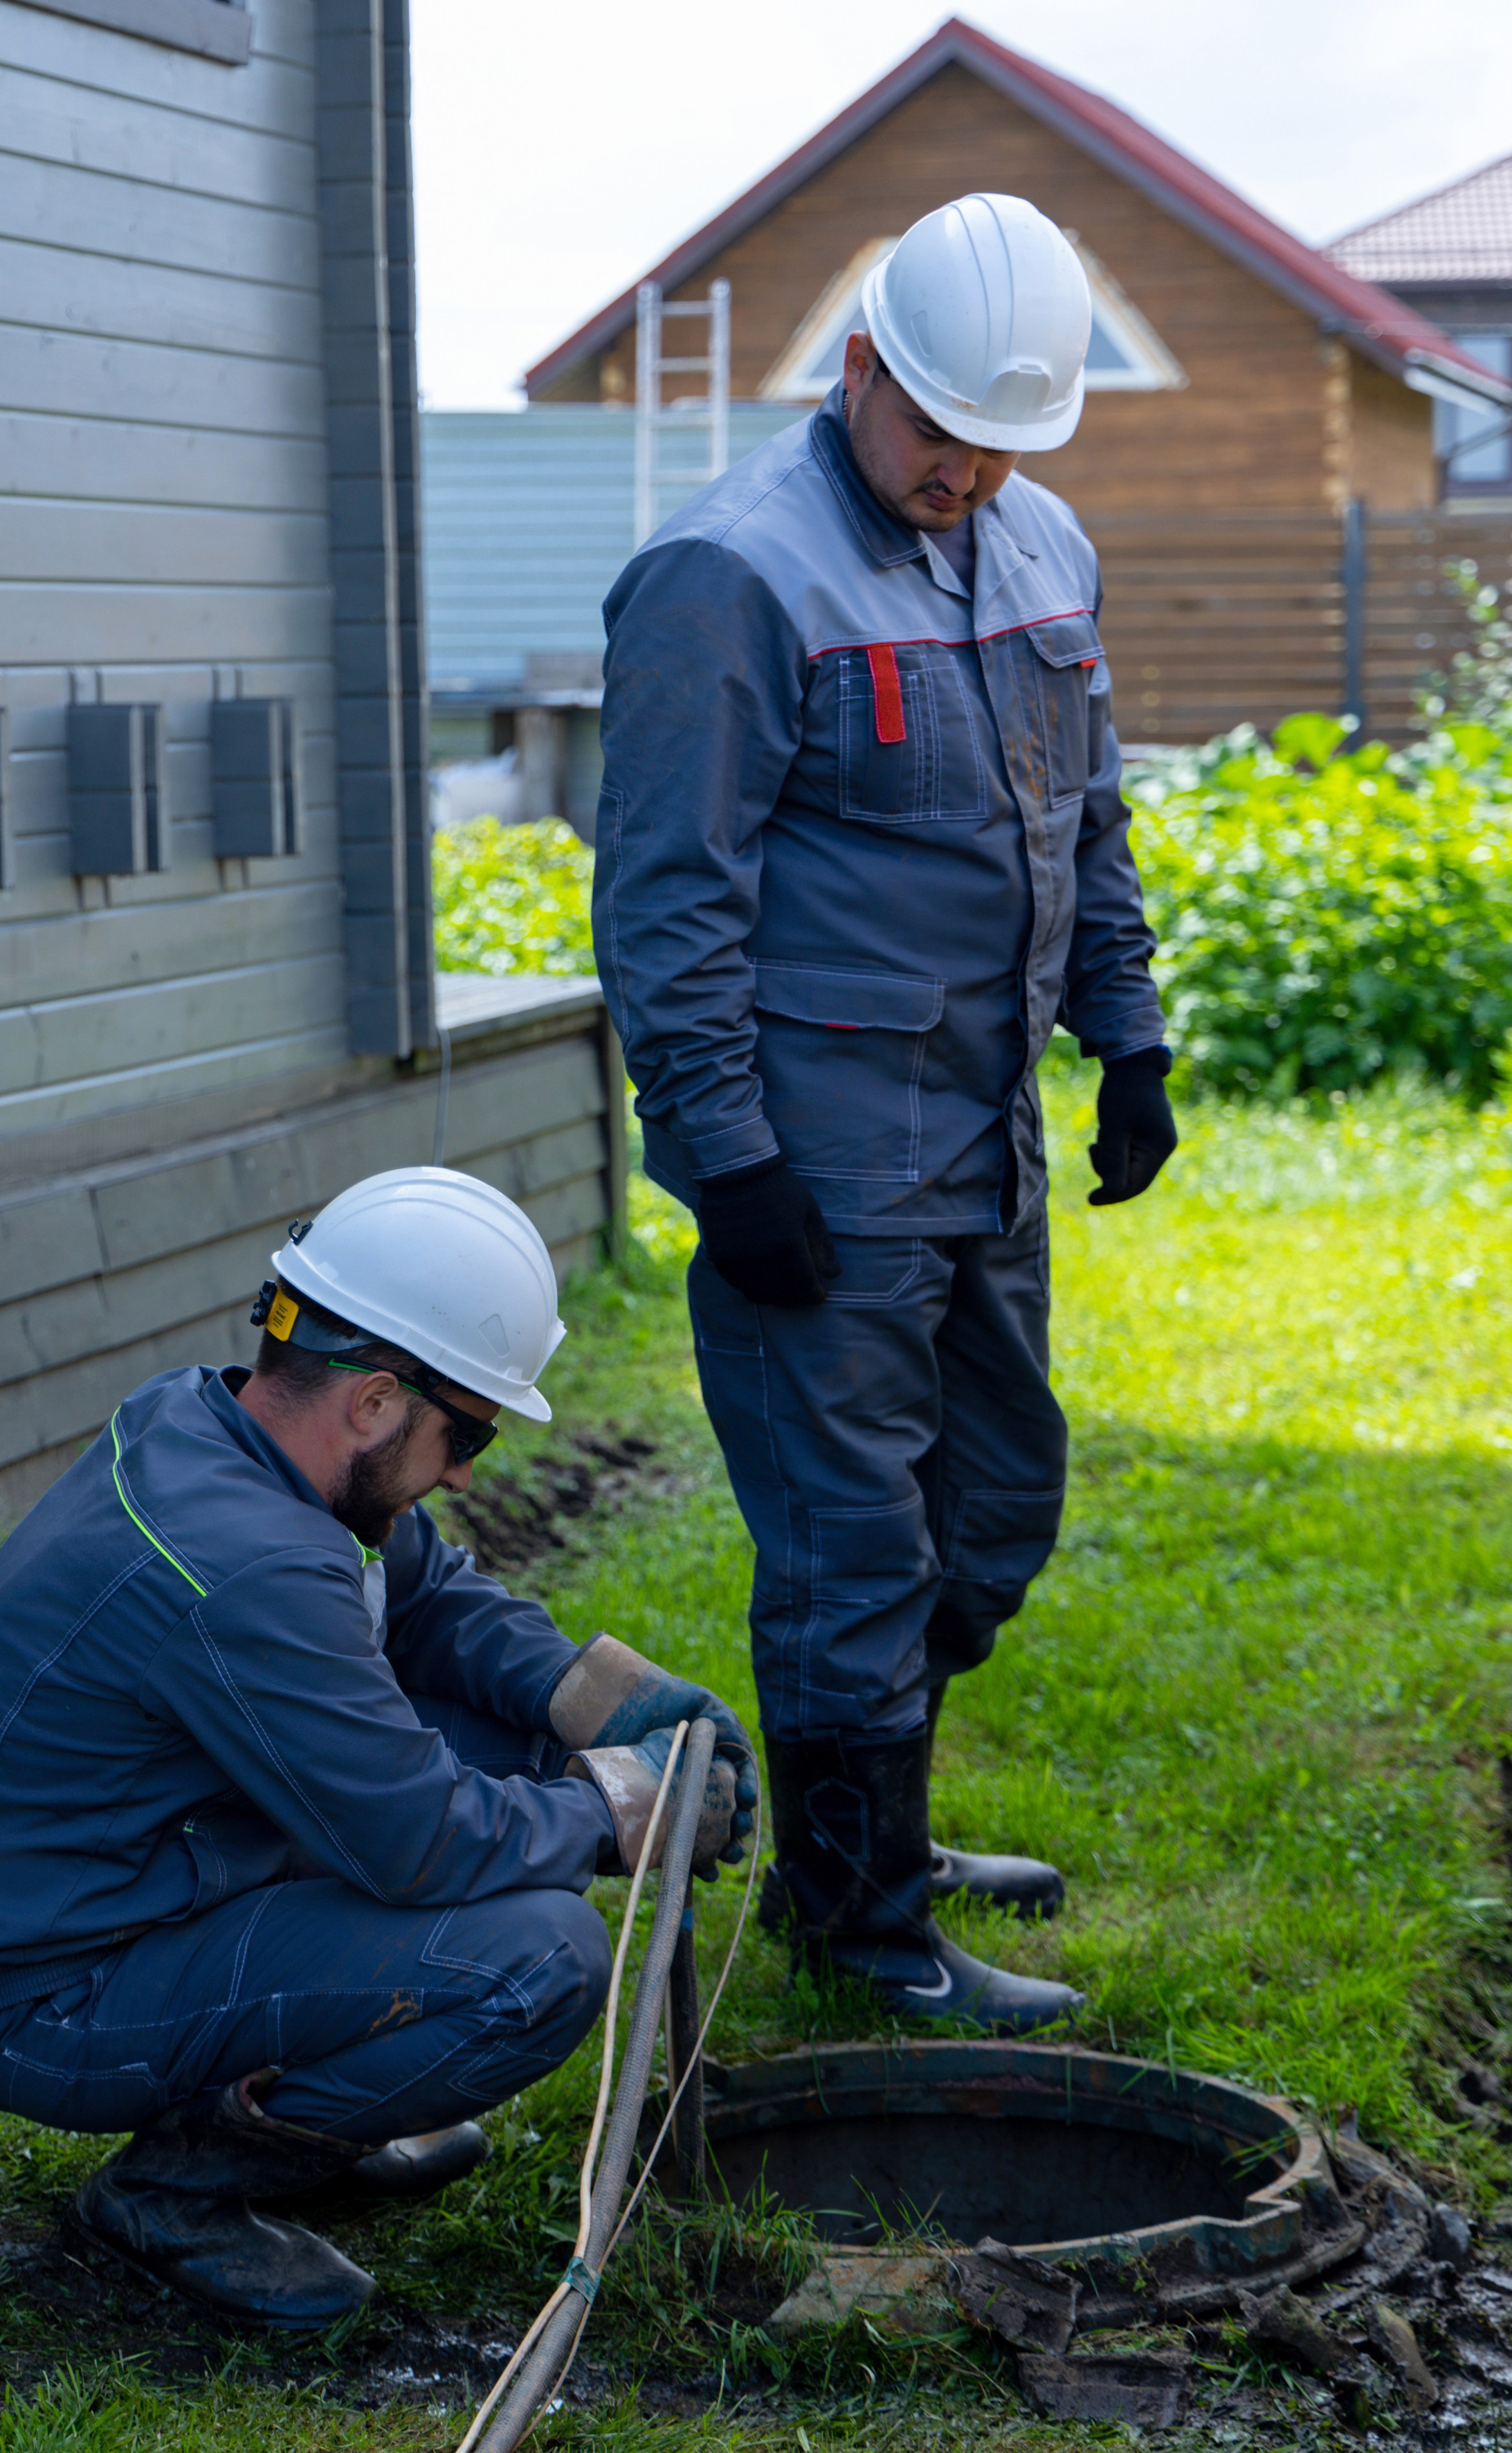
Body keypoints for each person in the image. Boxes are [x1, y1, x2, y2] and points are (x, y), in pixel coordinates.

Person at [592, 193, 1177, 2034]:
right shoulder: (733, 576)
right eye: (935, 430)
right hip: (816, 1162)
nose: (964, 474)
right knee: (855, 1548)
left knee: (993, 1511)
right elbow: (667, 901)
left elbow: (1082, 823)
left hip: (983, 1139)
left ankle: (874, 1826)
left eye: (1000, 442)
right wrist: (729, 1159)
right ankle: (859, 1922)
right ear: (859, 371)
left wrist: (1129, 1032)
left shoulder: (1046, 543)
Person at [0, 1167, 756, 2330]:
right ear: (371, 1401)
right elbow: (418, 1842)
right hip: (60, 1991)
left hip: (152, 1873)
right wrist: (617, 1808)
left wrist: (595, 1700)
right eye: (466, 1436)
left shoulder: (216, 1425)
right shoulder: (246, 1564)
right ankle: (174, 2194)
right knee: (537, 1958)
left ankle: (310, 2114)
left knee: (505, 1739)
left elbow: (432, 1595)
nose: (462, 1472)